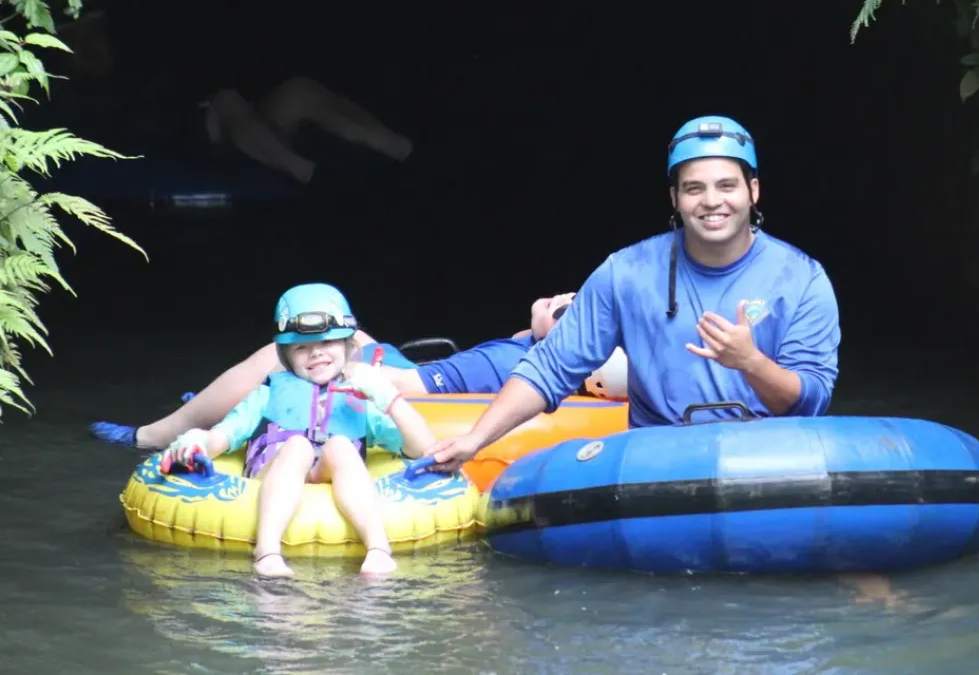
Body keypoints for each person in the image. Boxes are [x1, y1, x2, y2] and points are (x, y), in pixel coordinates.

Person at [425, 115, 842, 473]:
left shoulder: (802, 279)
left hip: (768, 462)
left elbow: (811, 401)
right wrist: (475, 439)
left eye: (726, 186)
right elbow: (550, 367)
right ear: (675, 198)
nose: (712, 201)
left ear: (753, 192)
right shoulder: (625, 272)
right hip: (656, 463)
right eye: (694, 188)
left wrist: (750, 363)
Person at [89, 292, 628, 450]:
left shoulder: (561, 353)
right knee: (326, 316)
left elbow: (564, 330)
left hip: (412, 386)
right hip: (418, 367)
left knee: (280, 353)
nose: (554, 297)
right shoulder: (527, 345)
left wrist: (550, 316)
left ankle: (155, 434)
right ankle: (221, 403)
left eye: (565, 303)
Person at [161, 282, 437, 578]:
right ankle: (267, 551)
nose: (316, 354)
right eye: (302, 347)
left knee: (341, 446)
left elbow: (423, 449)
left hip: (330, 470)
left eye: (327, 343)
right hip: (275, 467)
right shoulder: (268, 394)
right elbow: (224, 435)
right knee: (298, 447)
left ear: (348, 346)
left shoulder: (361, 399)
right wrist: (197, 440)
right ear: (286, 356)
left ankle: (378, 550)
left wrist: (388, 398)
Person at [46, 10, 414, 185]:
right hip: (175, 139)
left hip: (219, 123)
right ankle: (308, 176)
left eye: (97, 36)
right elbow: (113, 132)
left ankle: (395, 147)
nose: (95, 47)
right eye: (82, 41)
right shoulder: (68, 89)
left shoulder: (132, 67)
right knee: (226, 101)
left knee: (298, 89)